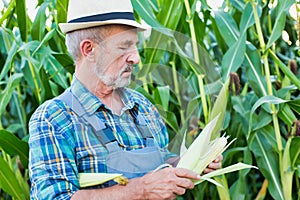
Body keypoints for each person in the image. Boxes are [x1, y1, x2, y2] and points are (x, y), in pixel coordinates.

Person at [28, 0, 223, 199]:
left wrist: (193, 163)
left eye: (135, 46)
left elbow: (162, 165)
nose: (136, 58)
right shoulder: (53, 119)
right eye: (124, 47)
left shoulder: (143, 106)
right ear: (89, 50)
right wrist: (141, 190)